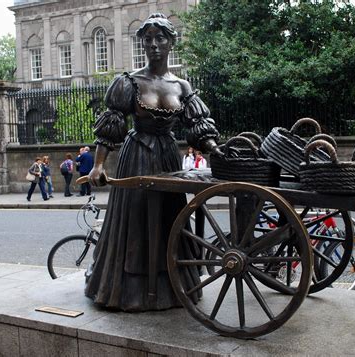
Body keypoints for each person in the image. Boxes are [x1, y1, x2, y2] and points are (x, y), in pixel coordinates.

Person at [84, 13, 222, 312]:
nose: (154, 45)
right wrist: (98, 165)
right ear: (142, 44)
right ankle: (128, 290)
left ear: (172, 42)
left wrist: (214, 148)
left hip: (168, 157)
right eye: (148, 39)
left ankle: (171, 287)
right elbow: (112, 125)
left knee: (170, 220)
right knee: (134, 220)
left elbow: (197, 126)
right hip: (137, 157)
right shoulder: (129, 82)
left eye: (161, 38)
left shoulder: (182, 87)